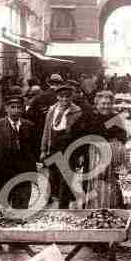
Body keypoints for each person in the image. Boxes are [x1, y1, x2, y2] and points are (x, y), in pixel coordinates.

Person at [0, 87, 39, 209]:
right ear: (6, 108)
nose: (16, 111)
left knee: (21, 209)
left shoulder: (29, 126)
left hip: (23, 176)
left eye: (19, 107)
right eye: (12, 107)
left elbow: (35, 150)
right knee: (3, 209)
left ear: (23, 109)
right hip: (2, 176)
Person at [41, 81, 89, 209]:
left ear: (71, 97)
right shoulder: (52, 110)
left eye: (67, 96)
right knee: (53, 175)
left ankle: (63, 206)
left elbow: (81, 136)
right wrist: (43, 149)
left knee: (66, 178)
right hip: (54, 146)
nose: (64, 99)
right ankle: (52, 198)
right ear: (57, 97)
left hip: (69, 148)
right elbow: (47, 130)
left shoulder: (77, 112)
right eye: (61, 96)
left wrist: (80, 154)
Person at [86, 91, 127, 209]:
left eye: (109, 104)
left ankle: (111, 208)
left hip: (113, 154)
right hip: (95, 154)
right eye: (103, 103)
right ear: (97, 104)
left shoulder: (116, 118)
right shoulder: (91, 118)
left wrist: (117, 146)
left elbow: (123, 136)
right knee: (97, 181)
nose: (106, 106)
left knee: (111, 181)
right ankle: (96, 208)